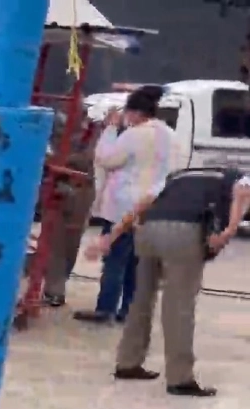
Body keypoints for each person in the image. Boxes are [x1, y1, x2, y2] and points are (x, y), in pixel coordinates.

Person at [84, 167, 250, 397]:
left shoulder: (178, 176)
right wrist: (227, 232)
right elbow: (243, 193)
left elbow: (144, 203)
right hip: (183, 231)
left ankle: (127, 362)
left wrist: (111, 236)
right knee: (179, 304)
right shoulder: (238, 177)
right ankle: (180, 378)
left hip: (148, 230)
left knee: (140, 298)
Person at [75, 85, 180, 324]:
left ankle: (105, 309)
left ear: (135, 112)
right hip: (153, 203)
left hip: (124, 203)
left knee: (114, 259)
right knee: (137, 262)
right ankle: (129, 311)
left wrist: (111, 128)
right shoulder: (170, 135)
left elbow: (106, 159)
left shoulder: (135, 134)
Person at [41, 113, 101, 307]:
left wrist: (63, 161)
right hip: (62, 190)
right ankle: (54, 289)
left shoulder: (93, 134)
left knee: (68, 243)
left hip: (79, 192)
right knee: (57, 243)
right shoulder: (58, 137)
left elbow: (88, 160)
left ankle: (57, 287)